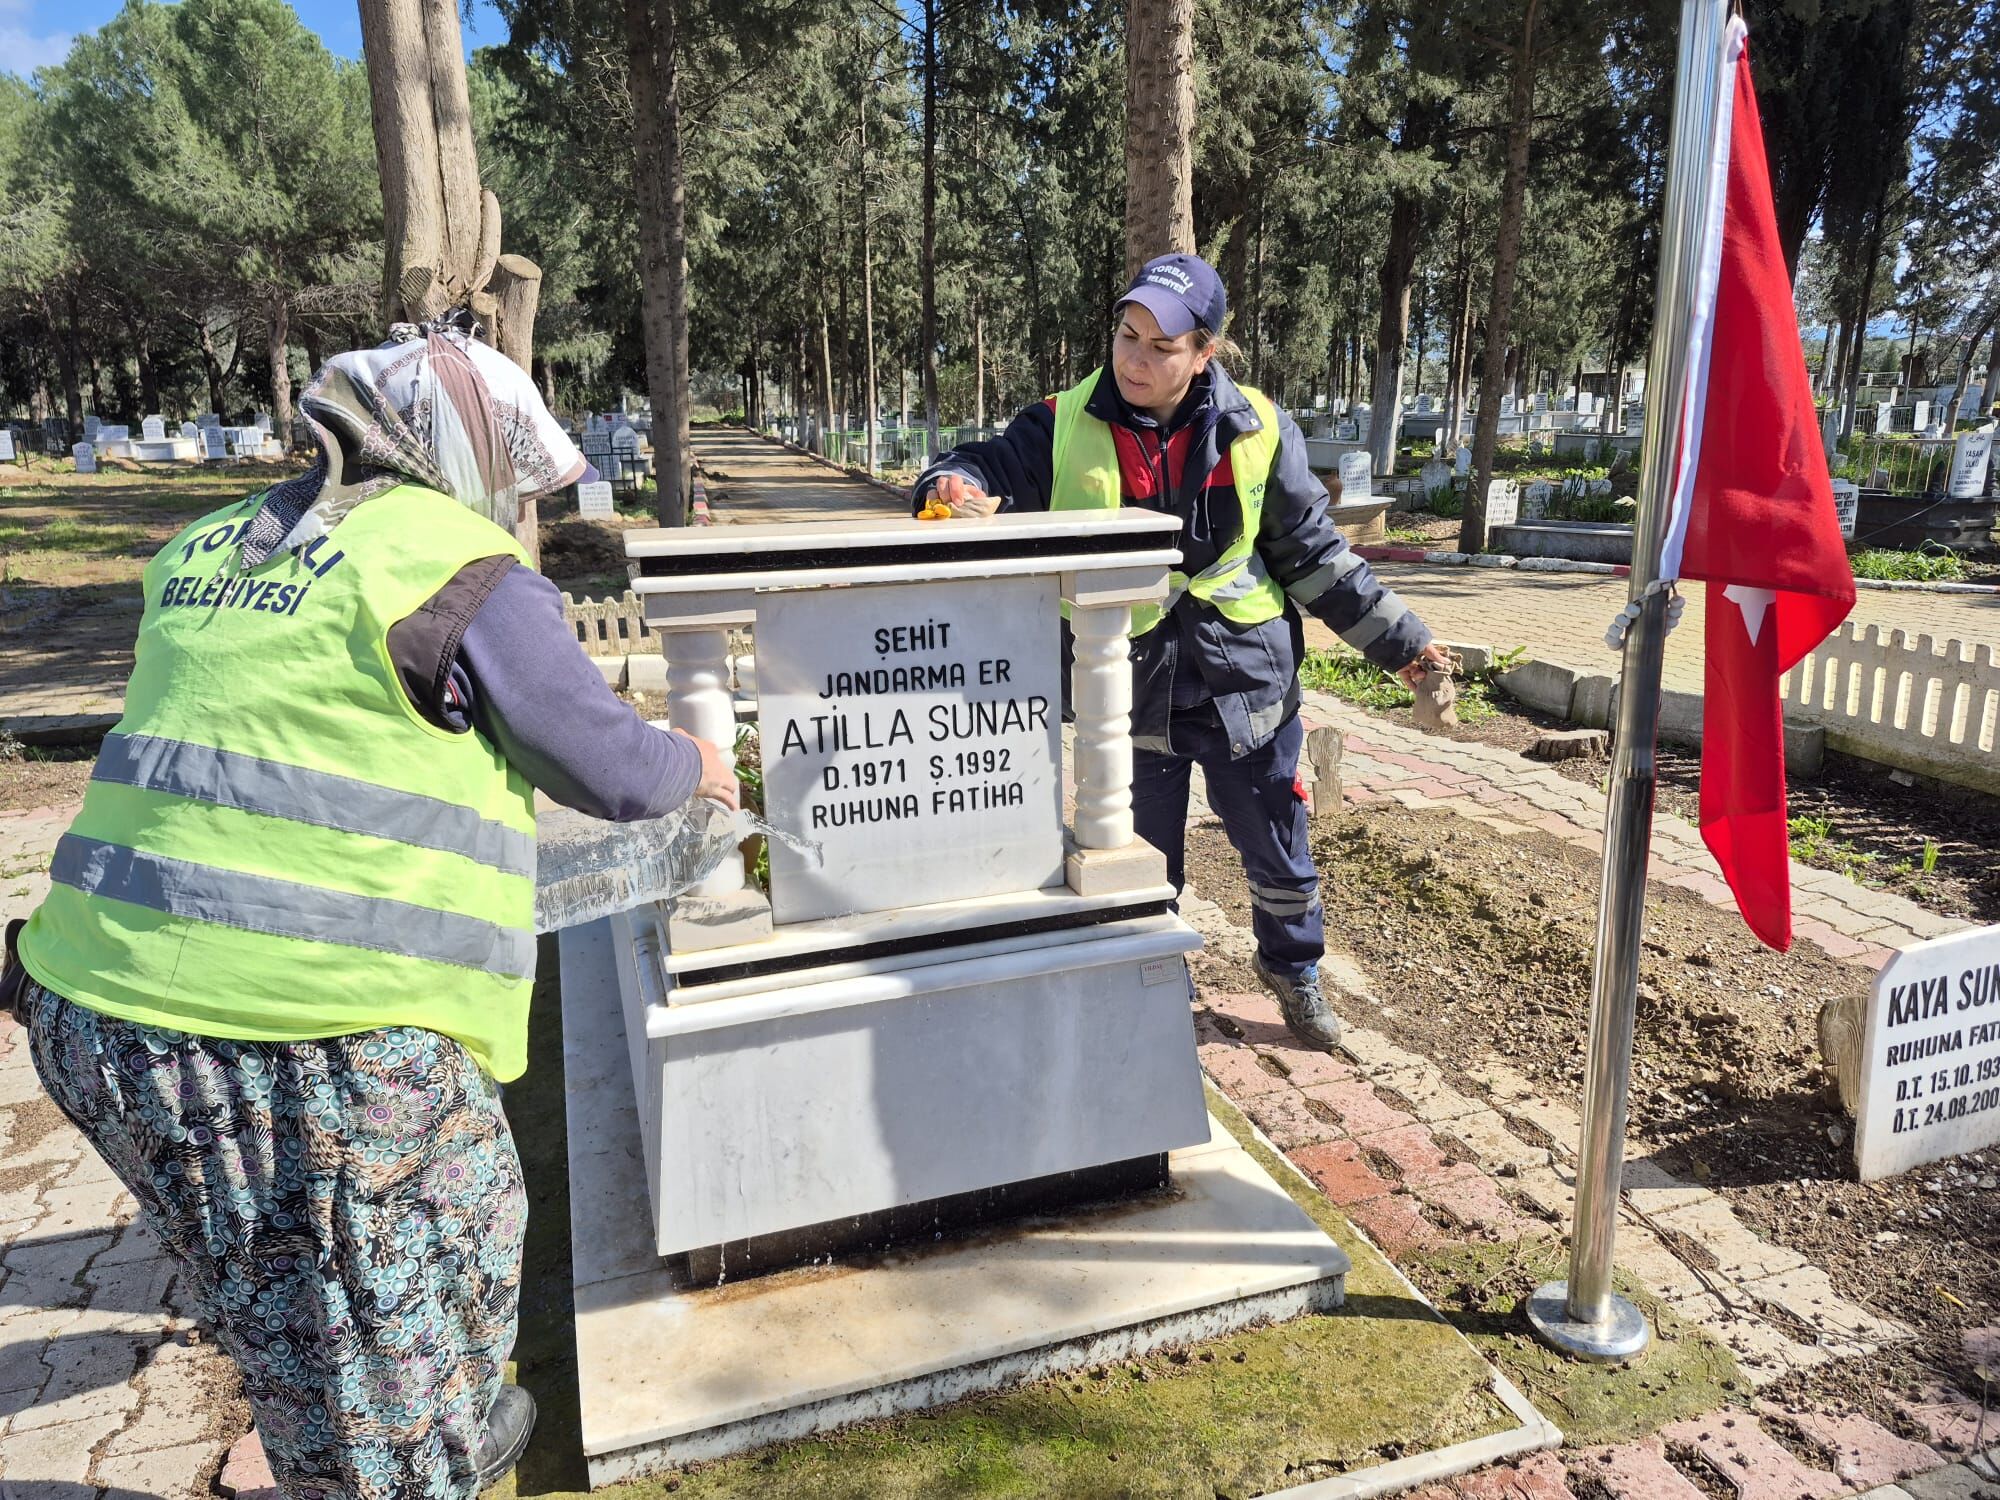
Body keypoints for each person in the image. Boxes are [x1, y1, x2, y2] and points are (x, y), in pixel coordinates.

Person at [5, 318, 737, 1499]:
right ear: (459, 456)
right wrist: (695, 764)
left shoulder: (204, 545)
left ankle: (432, 1412)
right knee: (363, 1395)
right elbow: (607, 766)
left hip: (95, 1014)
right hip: (299, 1042)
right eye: (509, 473)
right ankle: (407, 1453)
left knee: (393, 1249)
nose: (514, 502)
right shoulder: (458, 569)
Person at [913, 253, 1448, 1053]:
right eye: (1127, 335)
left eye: (1160, 346)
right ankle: (1150, 983)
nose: (1134, 357)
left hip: (1248, 689)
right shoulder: (1059, 423)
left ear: (1204, 352)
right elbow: (980, 465)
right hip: (1124, 696)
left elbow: (1312, 555)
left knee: (1279, 854)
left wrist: (1405, 645)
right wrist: (949, 486)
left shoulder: (1258, 428)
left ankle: (1292, 968)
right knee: (1137, 862)